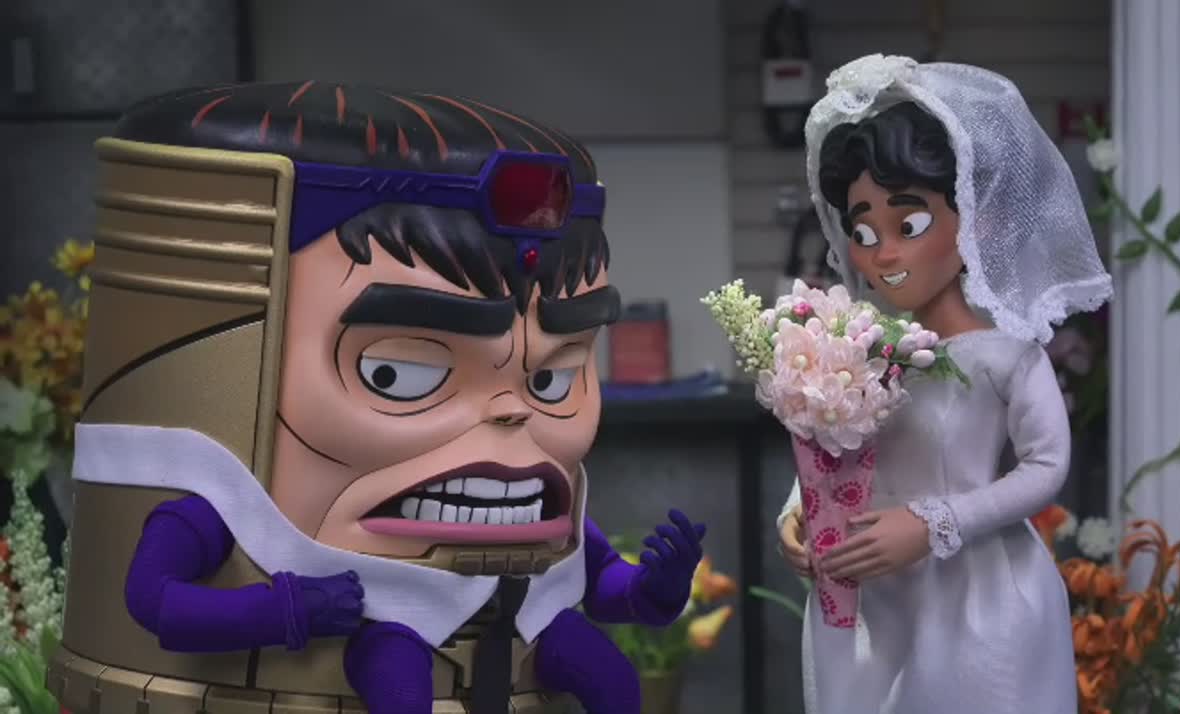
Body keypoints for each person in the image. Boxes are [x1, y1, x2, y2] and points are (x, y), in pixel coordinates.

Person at [58, 81, 705, 714]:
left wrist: (657, 586)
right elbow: (154, 604)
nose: (512, 410)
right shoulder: (213, 502)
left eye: (550, 380)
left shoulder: (539, 513)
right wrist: (288, 608)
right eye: (398, 374)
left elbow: (611, 590)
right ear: (235, 362)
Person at [775, 55, 1112, 713]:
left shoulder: (1005, 355)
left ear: (974, 223)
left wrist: (935, 522)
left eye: (910, 225)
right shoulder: (862, 353)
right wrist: (799, 514)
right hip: (876, 598)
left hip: (977, 596)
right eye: (864, 231)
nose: (884, 253)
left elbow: (1047, 464)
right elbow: (832, 450)